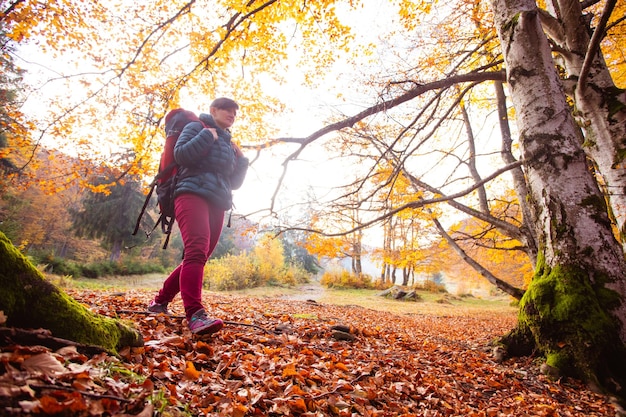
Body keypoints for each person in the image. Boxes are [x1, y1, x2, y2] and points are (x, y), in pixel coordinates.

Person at [147, 97, 248, 335]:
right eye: (227, 110)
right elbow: (181, 154)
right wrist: (207, 136)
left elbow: (234, 183)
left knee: (199, 256)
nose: (232, 114)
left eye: (235, 112)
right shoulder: (198, 128)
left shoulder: (229, 143)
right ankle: (195, 314)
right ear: (213, 110)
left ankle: (159, 302)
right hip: (190, 193)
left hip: (218, 201)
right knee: (195, 250)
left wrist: (242, 160)